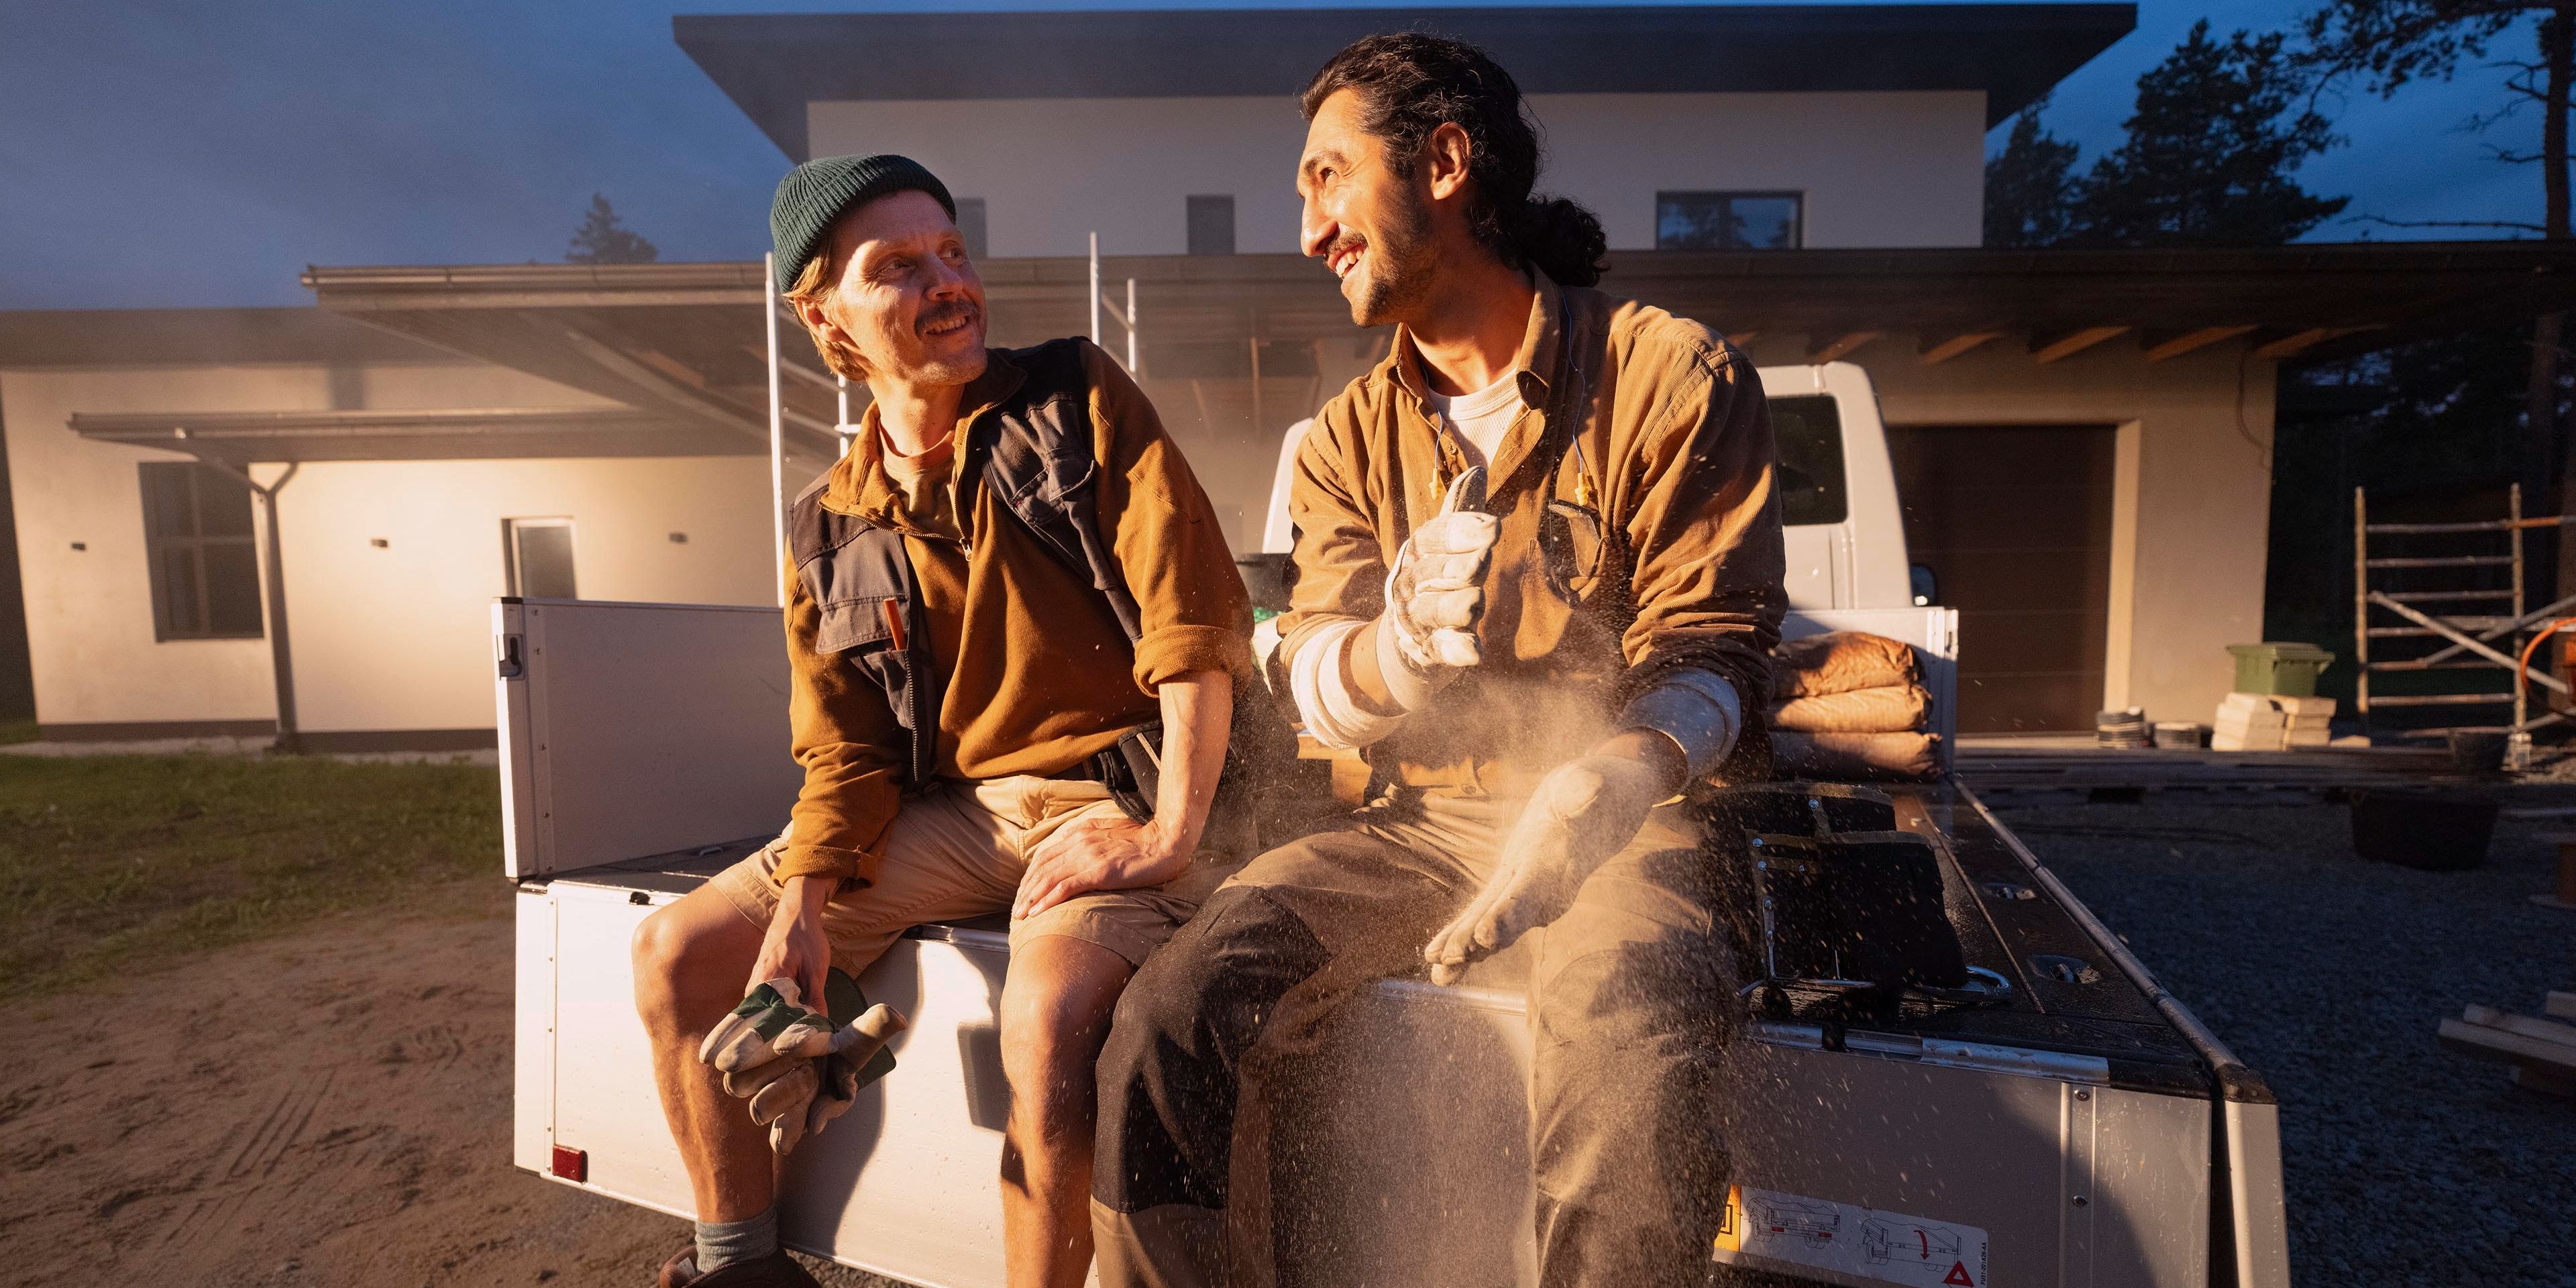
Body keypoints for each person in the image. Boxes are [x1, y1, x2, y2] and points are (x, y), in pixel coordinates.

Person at [1090, 34, 1788, 1288]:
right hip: (1414, 830)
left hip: (1631, 824)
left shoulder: (1664, 374)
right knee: (1168, 1015)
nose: (1309, 229)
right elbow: (1306, 669)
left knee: (1628, 1034)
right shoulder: (1346, 435)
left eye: (1327, 178)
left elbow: (1718, 644)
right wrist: (1396, 654)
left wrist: (1615, 776)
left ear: (1448, 162)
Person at [633, 154, 1254, 1288]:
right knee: (683, 955)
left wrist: (1168, 835)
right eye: (900, 266)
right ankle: (742, 1267)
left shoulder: (1074, 400)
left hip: (1121, 791)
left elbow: (1194, 620)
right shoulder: (829, 521)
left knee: (1050, 1018)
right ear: (827, 320)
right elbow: (846, 749)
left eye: (953, 252)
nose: (948, 281)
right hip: (963, 812)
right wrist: (805, 912)